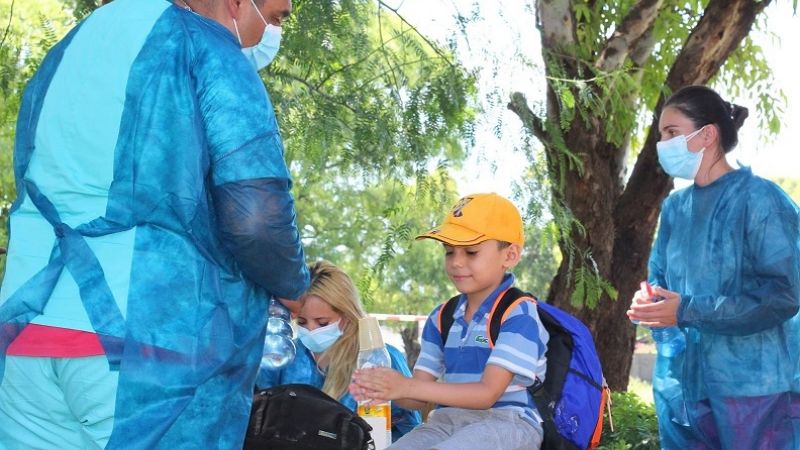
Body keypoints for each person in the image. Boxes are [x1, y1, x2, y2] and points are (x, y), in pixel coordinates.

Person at [0, 0, 310, 448]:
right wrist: (293, 284)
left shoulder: (68, 49)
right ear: (238, 3)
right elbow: (256, 218)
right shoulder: (207, 47)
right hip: (147, 347)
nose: (273, 33)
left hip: (25, 333)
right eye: (277, 16)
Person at [627, 85, 800, 449]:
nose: (663, 144)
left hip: (755, 391)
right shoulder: (674, 209)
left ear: (708, 134)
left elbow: (784, 296)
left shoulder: (760, 200)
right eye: (661, 135)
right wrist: (651, 304)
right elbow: (660, 282)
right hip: (683, 387)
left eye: (672, 133)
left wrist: (687, 310)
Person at [350, 193, 549, 450]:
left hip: (506, 422)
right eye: (448, 252)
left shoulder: (519, 313)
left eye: (471, 252)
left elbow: (488, 394)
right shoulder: (441, 317)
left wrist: (407, 386)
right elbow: (420, 396)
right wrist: (389, 389)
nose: (456, 262)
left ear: (509, 255)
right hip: (446, 420)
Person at [256, 260, 422, 442]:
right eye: (302, 323)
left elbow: (409, 429)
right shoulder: (283, 356)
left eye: (322, 323)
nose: (311, 330)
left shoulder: (380, 358)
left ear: (347, 315)